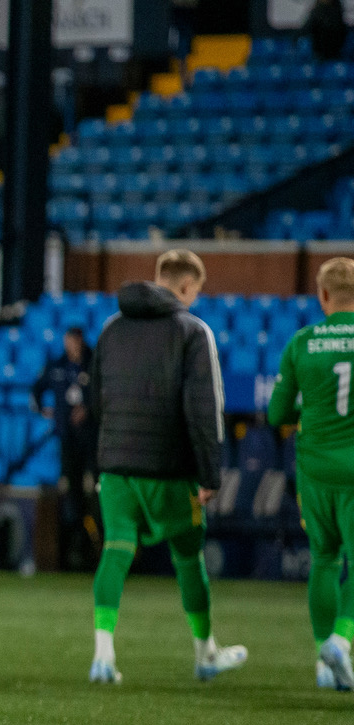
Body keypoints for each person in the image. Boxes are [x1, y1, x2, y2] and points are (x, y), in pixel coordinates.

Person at [88, 249, 245, 684]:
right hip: (171, 469)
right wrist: (210, 473)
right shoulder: (193, 331)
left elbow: (95, 399)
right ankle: (205, 652)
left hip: (117, 466)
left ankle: (103, 654)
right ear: (187, 287)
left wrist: (107, 453)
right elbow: (204, 409)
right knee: (188, 557)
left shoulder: (111, 328)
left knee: (115, 552)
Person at [267, 257, 354, 691]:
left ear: (322, 296)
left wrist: (311, 410)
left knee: (324, 559)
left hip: (316, 469)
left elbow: (277, 412)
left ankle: (323, 659)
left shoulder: (303, 341)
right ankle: (342, 637)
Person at [31, 327, 99, 570]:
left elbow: (106, 392)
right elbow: (37, 389)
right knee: (73, 491)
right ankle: (77, 545)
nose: (73, 345)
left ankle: (100, 540)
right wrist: (44, 410)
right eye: (69, 340)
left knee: (98, 489)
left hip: (92, 439)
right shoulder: (57, 365)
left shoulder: (94, 363)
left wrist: (88, 408)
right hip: (68, 440)